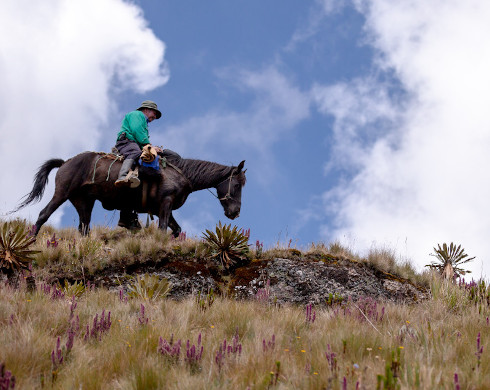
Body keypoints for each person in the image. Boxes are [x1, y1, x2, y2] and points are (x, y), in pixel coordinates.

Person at [114, 100, 162, 188]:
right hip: (126, 141)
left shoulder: (143, 121)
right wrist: (149, 146)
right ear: (147, 110)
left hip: (132, 142)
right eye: (154, 113)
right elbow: (137, 130)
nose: (155, 117)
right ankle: (123, 176)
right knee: (134, 152)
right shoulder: (137, 115)